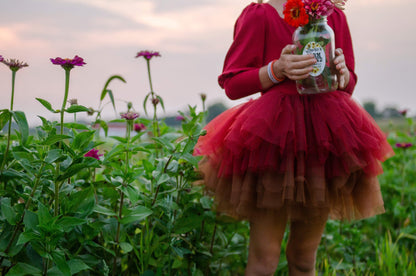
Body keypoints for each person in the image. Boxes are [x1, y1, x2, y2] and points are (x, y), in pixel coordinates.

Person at [194, 0, 394, 275]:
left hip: (321, 143)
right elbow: (232, 83)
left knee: (303, 258)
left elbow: (347, 83)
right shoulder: (260, 15)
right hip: (272, 144)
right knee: (264, 257)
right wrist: (277, 69)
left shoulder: (331, 16)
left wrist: (342, 75)